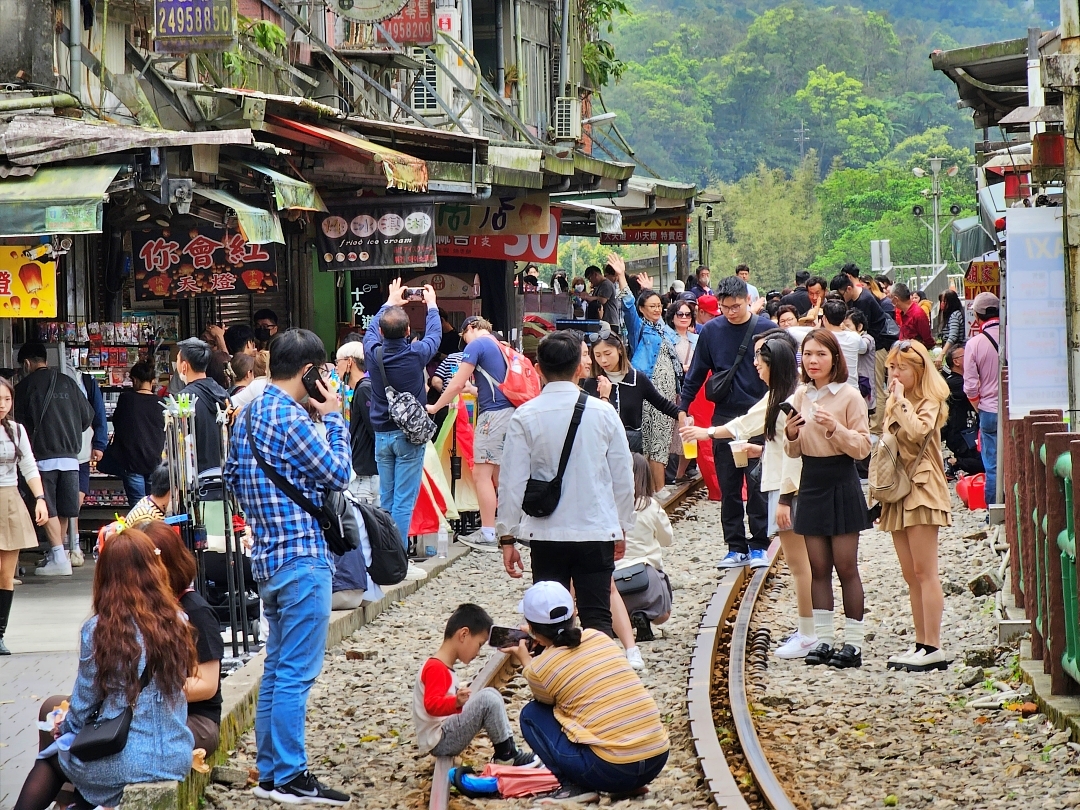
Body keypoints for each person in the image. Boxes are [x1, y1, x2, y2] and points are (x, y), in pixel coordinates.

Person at [225, 328, 353, 806]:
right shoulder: (292, 419)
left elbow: (236, 482)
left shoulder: (249, 413)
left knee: (278, 668)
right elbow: (340, 473)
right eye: (322, 372)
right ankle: (293, 775)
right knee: (296, 674)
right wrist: (335, 418)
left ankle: (271, 774)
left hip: (267, 559)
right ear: (308, 372)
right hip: (302, 557)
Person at [13, 529, 196, 810]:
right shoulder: (179, 621)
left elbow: (85, 701)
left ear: (106, 575)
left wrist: (66, 727)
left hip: (125, 757)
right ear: (154, 570)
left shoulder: (99, 630)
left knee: (53, 757)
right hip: (174, 754)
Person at [682, 331, 814, 656]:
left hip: (791, 490)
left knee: (803, 565)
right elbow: (755, 427)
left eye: (760, 360)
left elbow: (787, 447)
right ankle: (810, 630)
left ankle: (811, 633)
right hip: (790, 488)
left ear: (775, 365)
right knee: (807, 564)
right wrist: (759, 449)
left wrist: (706, 432)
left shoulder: (786, 400)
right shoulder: (781, 395)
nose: (755, 365)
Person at [498, 331, 635, 638]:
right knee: (598, 616)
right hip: (596, 529)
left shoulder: (525, 415)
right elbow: (623, 476)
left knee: (550, 619)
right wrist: (622, 525)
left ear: (537, 368)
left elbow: (511, 482)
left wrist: (507, 536)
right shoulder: (603, 412)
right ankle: (600, 678)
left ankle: (558, 681)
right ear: (579, 369)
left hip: (546, 533)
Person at [505, 581, 669, 803]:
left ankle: (573, 788)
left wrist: (527, 661)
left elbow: (546, 701)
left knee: (532, 714)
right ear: (574, 613)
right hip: (656, 759)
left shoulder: (541, 669)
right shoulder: (598, 636)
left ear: (532, 629)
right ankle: (632, 785)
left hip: (611, 771)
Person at [784, 330, 871, 669]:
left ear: (835, 357)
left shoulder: (849, 396)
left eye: (820, 354)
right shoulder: (800, 394)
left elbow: (863, 447)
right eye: (807, 355)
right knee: (817, 567)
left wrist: (835, 427)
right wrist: (791, 433)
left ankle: (853, 643)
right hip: (811, 480)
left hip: (842, 479)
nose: (813, 361)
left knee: (846, 566)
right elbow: (794, 448)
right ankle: (823, 640)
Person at [678, 276, 773, 569]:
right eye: (725, 307)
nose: (731, 312)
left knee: (758, 483)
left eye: (737, 306)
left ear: (748, 300)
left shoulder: (767, 330)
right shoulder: (711, 332)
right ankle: (735, 544)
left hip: (759, 415)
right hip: (725, 415)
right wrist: (683, 407)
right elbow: (696, 373)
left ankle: (759, 544)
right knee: (728, 485)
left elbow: (785, 372)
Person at [879, 340, 952, 673]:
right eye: (892, 367)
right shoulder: (896, 399)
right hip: (899, 490)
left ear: (919, 370)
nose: (895, 373)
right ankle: (921, 644)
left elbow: (919, 432)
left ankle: (934, 645)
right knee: (911, 575)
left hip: (923, 487)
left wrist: (900, 403)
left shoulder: (930, 400)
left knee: (926, 572)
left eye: (902, 368)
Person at [363, 280, 441, 545]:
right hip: (408, 436)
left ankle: (384, 553)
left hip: (382, 435)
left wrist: (389, 302)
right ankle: (397, 557)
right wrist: (431, 306)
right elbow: (434, 336)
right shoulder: (417, 353)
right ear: (408, 331)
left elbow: (370, 330)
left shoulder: (374, 354)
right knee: (404, 501)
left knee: (387, 498)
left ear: (382, 334)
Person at [428, 316, 515, 552]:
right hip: (510, 414)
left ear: (471, 328)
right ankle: (507, 527)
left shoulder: (478, 344)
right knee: (498, 475)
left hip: (492, 417)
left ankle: (487, 533)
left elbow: (455, 383)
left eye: (463, 336)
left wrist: (436, 407)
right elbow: (499, 389)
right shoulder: (501, 346)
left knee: (481, 473)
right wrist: (474, 391)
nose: (464, 342)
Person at [413, 603, 538, 765]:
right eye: (479, 644)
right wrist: (456, 702)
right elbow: (431, 705)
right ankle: (506, 755)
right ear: (463, 634)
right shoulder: (436, 668)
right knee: (487, 699)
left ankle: (507, 750)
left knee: (490, 695)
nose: (478, 652)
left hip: (444, 735)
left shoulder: (440, 666)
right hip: (441, 740)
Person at [140, 520, 224, 753]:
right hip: (148, 711)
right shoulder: (140, 607)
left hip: (194, 719)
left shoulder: (196, 612)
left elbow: (207, 685)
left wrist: (144, 696)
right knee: (53, 709)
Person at [14, 342, 93, 577]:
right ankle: (59, 554)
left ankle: (59, 556)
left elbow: (18, 425)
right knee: (64, 507)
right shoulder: (68, 381)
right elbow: (87, 417)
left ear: (27, 364)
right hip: (71, 457)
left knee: (47, 507)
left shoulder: (25, 387)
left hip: (42, 457)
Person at [610, 258, 682, 492]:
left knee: (659, 446)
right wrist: (622, 277)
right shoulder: (639, 327)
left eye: (659, 305)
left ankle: (654, 495)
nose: (657, 309)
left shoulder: (664, 330)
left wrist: (649, 291)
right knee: (651, 446)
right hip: (647, 391)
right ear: (642, 309)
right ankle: (653, 495)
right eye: (651, 306)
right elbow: (629, 305)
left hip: (666, 395)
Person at [0, 376, 49, 654]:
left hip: (10, 499)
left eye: (7, 399)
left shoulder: (16, 431)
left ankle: (0, 634)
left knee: (6, 575)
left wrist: (40, 498)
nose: (3, 405)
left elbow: (29, 466)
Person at [582, 330, 680, 457]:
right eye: (598, 355)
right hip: (600, 449)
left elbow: (662, 404)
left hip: (631, 449)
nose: (603, 360)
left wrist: (682, 414)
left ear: (620, 350)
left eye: (607, 353)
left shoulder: (638, 379)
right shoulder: (591, 383)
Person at [616, 453, 674, 643]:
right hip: (646, 578)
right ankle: (643, 615)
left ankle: (620, 624)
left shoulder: (608, 507)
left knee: (613, 606)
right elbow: (667, 539)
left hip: (613, 583)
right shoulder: (651, 506)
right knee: (663, 614)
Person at [831, 272, 898, 435]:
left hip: (877, 347)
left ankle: (876, 429)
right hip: (870, 347)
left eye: (840, 294)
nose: (840, 298)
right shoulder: (859, 297)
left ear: (848, 288)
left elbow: (864, 332)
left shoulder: (864, 300)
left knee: (876, 388)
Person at [104, 360, 165, 506]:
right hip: (154, 462)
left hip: (132, 463)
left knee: (138, 508)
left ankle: (139, 529)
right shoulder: (160, 403)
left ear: (135, 380)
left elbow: (117, 423)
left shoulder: (126, 399)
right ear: (153, 381)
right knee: (154, 506)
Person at [963, 292, 1001, 507]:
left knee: (993, 465)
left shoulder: (975, 343)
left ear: (977, 317)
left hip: (988, 410)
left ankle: (994, 511)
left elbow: (970, 386)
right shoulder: (1012, 336)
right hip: (1016, 410)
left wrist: (979, 406)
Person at [176, 338, 229, 476]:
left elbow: (179, 444)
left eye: (178, 360)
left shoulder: (184, 398)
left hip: (195, 480)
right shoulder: (223, 394)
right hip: (223, 476)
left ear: (184, 366)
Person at [336, 342, 379, 506]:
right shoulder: (365, 387)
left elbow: (375, 429)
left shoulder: (363, 389)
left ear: (349, 362)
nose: (336, 367)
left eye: (337, 361)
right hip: (366, 473)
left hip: (365, 476)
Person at [942, 346, 983, 476]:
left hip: (968, 432)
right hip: (961, 436)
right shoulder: (955, 383)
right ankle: (954, 462)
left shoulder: (961, 380)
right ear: (956, 362)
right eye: (965, 356)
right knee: (986, 464)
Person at [821, 299, 866, 390]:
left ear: (824, 318)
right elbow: (863, 349)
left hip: (831, 390)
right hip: (853, 389)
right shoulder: (855, 337)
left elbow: (791, 331)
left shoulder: (822, 339)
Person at [891, 282, 934, 350]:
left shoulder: (917, 314)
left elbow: (928, 341)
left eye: (891, 298)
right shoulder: (904, 312)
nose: (891, 301)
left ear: (896, 299)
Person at [937, 290, 966, 368]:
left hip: (956, 352)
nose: (942, 304)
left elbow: (952, 336)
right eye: (941, 301)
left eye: (944, 301)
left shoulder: (955, 315)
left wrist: (941, 355)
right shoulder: (950, 315)